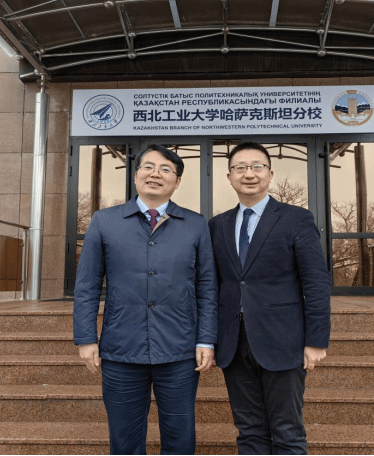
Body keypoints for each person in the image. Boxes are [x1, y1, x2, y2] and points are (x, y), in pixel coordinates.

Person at [73, 144, 218, 455]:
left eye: (166, 169)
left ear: (177, 181)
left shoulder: (195, 224)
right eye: (148, 167)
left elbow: (207, 286)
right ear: (136, 174)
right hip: (121, 349)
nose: (156, 174)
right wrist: (86, 338)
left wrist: (206, 339)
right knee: (124, 440)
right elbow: (87, 285)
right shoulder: (105, 221)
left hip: (179, 350)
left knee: (180, 438)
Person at [208, 142, 331, 455]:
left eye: (257, 166)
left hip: (283, 340)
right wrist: (208, 339)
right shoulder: (218, 225)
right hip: (233, 343)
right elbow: (214, 286)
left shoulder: (296, 218)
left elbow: (316, 282)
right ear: (229, 176)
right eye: (240, 168)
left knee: (287, 431)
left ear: (270, 174)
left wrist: (316, 340)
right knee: (249, 431)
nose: (249, 174)